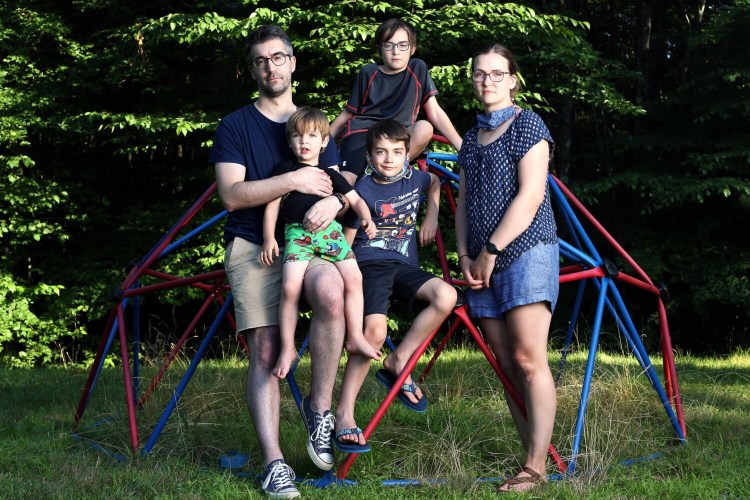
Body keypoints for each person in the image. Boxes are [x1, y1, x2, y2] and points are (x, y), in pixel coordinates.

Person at [210, 25, 348, 499]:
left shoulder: (314, 122)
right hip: (255, 243)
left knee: (333, 293)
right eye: (260, 60)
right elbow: (233, 195)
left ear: (293, 62)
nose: (271, 66)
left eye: (278, 57)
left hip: (312, 243)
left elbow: (337, 184)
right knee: (266, 351)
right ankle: (274, 464)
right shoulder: (235, 126)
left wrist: (337, 205)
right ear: (252, 70)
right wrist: (293, 182)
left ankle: (321, 412)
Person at [455, 43, 560, 493]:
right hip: (480, 262)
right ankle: (529, 460)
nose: (488, 82)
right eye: (480, 74)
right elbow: (460, 204)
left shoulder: (527, 124)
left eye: (498, 74)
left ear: (513, 80)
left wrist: (491, 250)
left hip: (525, 251)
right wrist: (464, 254)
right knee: (506, 364)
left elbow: (531, 195)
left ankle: (535, 469)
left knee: (527, 358)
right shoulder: (468, 138)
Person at [333, 120, 457, 453]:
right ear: (370, 157)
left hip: (402, 265)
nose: (390, 159)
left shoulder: (414, 178)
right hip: (368, 264)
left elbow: (433, 182)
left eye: (398, 152)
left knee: (446, 295)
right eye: (381, 152)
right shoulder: (360, 190)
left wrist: (431, 215)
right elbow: (344, 246)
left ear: (407, 154)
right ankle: (344, 414)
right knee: (373, 333)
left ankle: (399, 360)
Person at [260, 106, 379, 381]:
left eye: (312, 136)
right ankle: (288, 348)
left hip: (331, 235)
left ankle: (356, 336)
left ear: (324, 141)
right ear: (289, 141)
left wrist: (366, 219)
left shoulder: (329, 174)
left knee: (354, 278)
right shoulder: (285, 171)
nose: (304, 142)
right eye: (298, 137)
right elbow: (271, 205)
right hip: (297, 236)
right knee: (289, 287)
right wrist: (269, 238)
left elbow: (356, 199)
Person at [330, 18, 463, 181]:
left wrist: (462, 147)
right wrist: (322, 142)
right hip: (363, 134)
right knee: (346, 180)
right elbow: (347, 114)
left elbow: (434, 111)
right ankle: (362, 185)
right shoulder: (368, 72)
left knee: (425, 127)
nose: (396, 51)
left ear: (412, 49)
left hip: (397, 139)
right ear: (380, 49)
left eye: (402, 45)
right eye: (389, 45)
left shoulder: (417, 69)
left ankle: (385, 178)